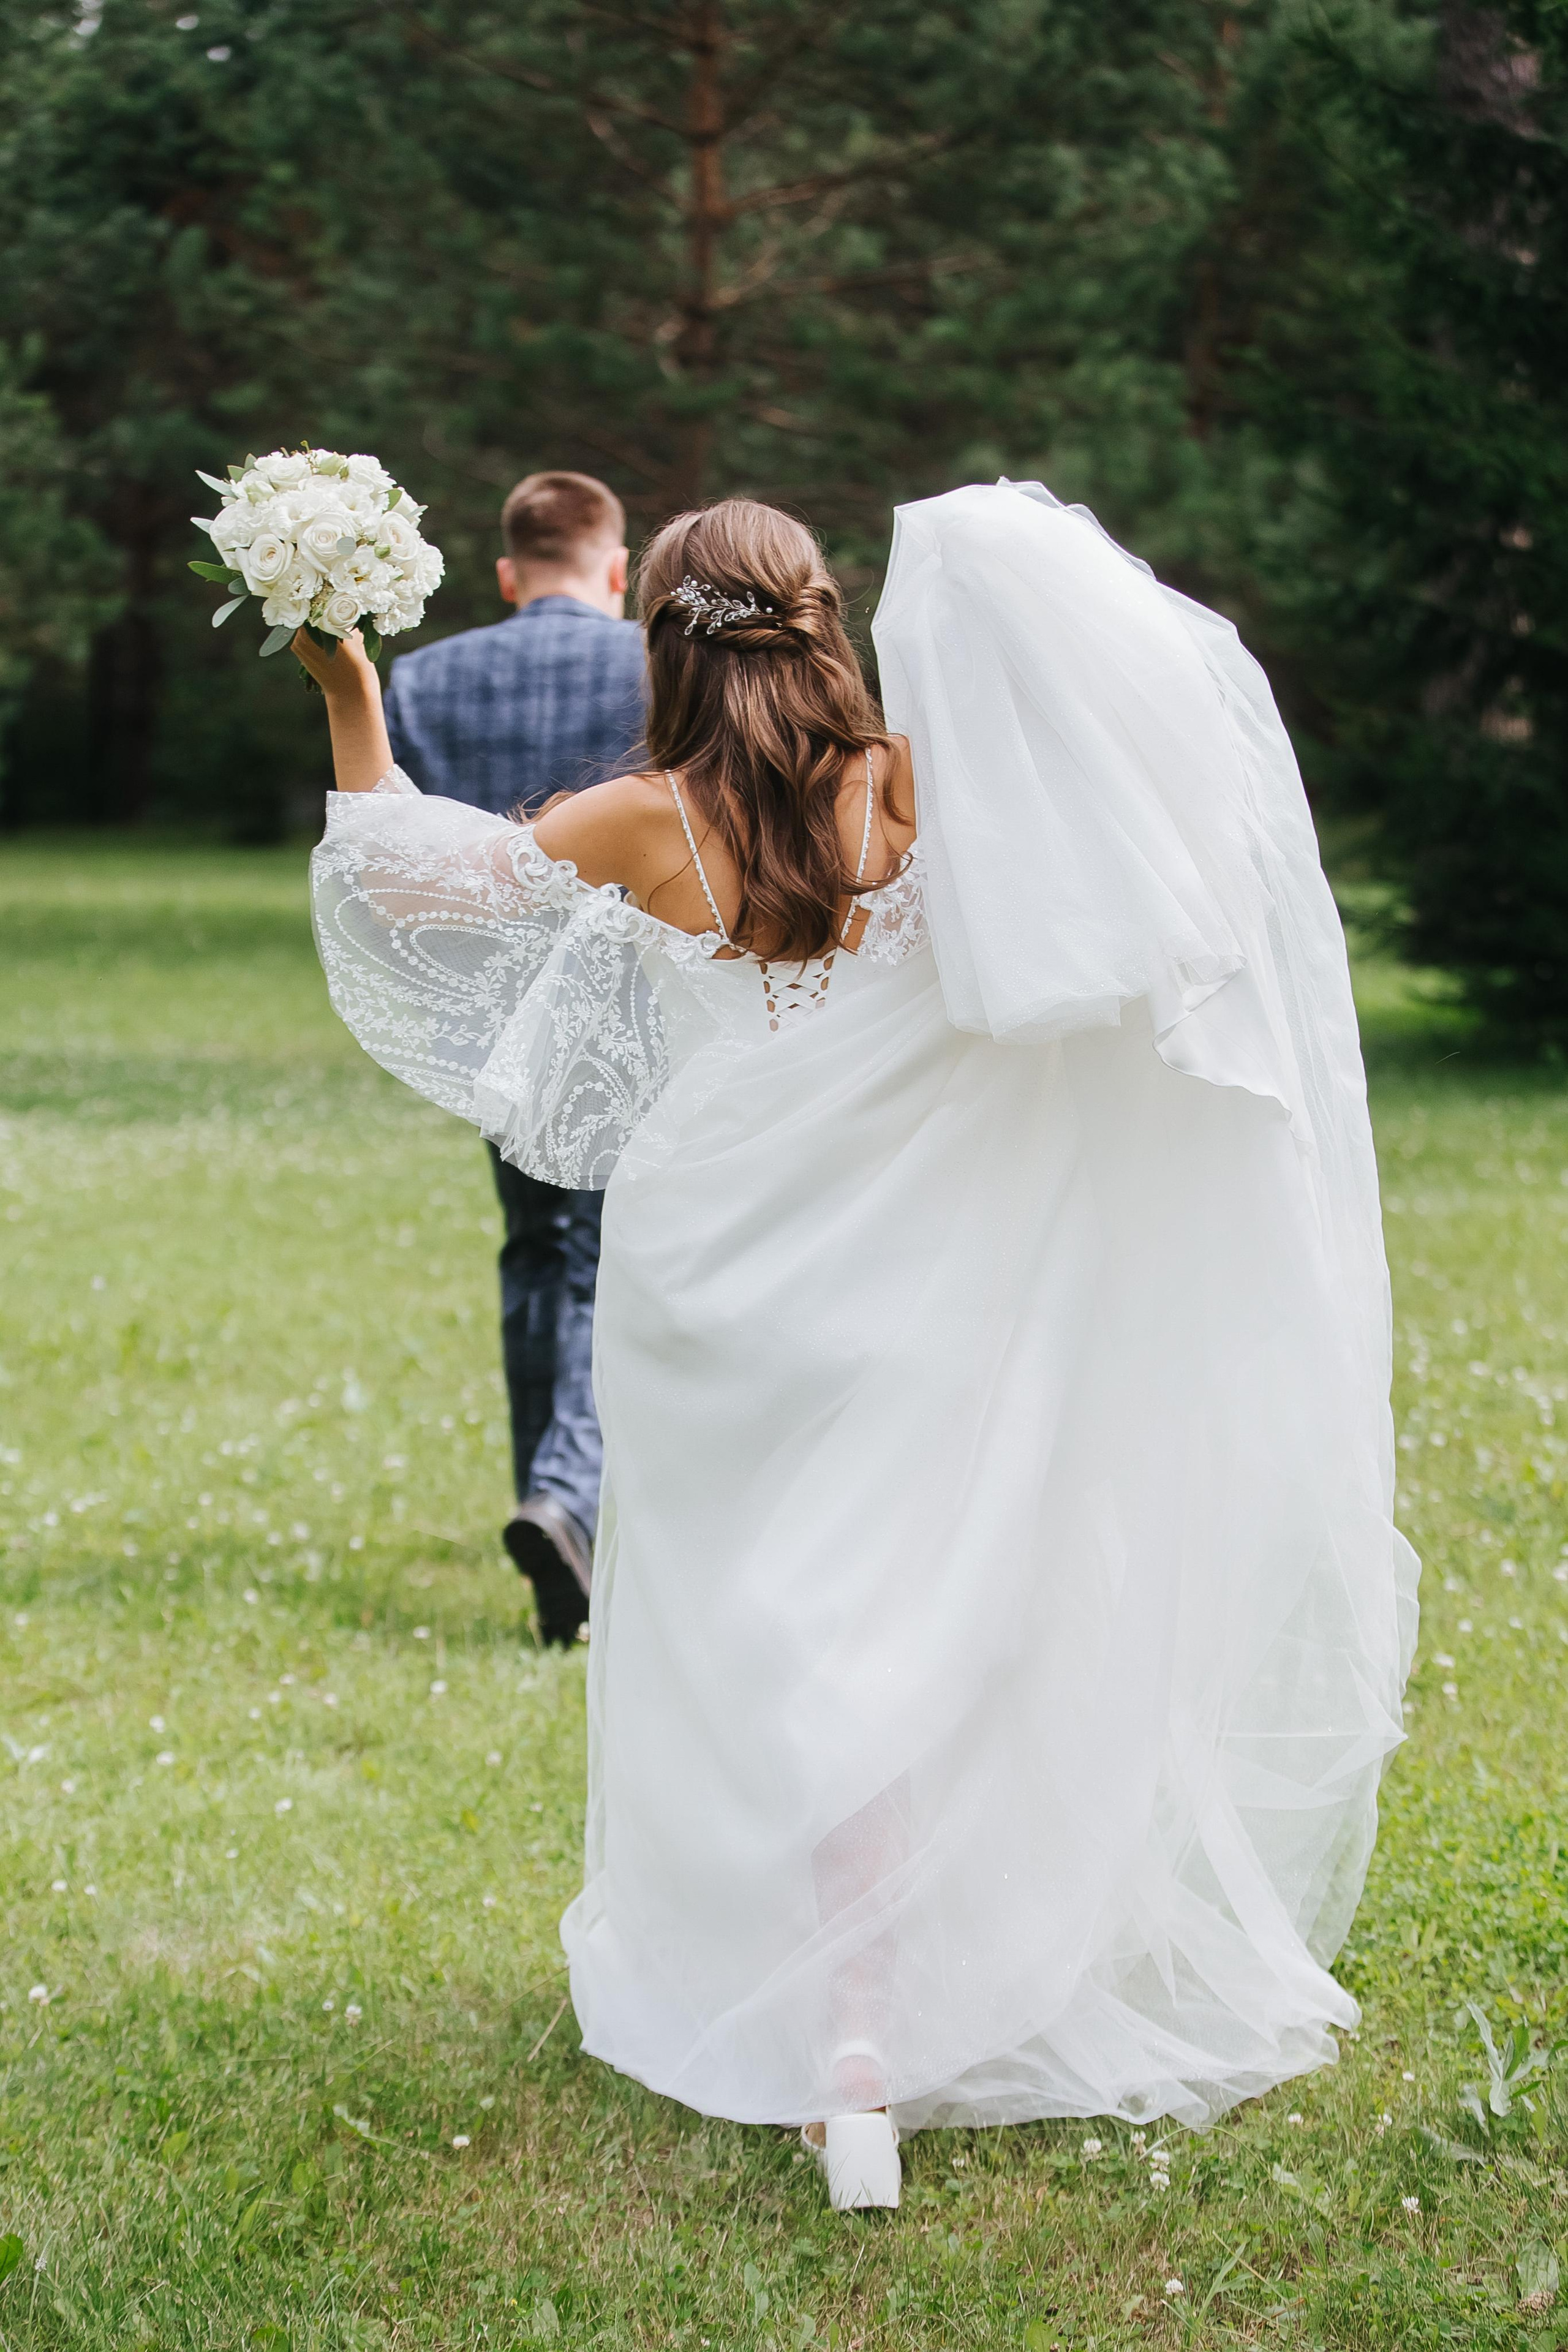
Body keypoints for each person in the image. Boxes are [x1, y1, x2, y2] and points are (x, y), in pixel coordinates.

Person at [303, 486, 1416, 2214]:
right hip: (935, 1287)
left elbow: (406, 882)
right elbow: (1155, 832)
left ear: (658, 637)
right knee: (910, 1628)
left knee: (761, 1644)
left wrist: (345, 689)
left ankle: (842, 2032)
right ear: (823, 619)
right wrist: (1005, 571)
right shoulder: (925, 791)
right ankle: (868, 2041)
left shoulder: (632, 818)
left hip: (715, 1295)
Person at [380, 470, 646, 1645]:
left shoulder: (424, 679)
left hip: (496, 1021)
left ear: (505, 571)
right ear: (617, 566)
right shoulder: (663, 665)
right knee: (629, 1260)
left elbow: (413, 861)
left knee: (544, 1253)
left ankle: (558, 1499)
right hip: (651, 1006)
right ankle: (575, 1501)